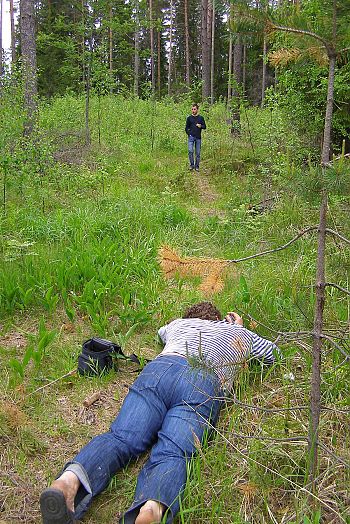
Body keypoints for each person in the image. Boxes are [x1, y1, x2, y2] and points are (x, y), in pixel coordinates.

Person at [40, 302, 279, 524]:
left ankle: (69, 481)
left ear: (189, 317)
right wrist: (238, 328)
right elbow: (274, 354)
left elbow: (160, 332)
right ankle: (151, 508)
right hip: (202, 380)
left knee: (120, 437)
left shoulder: (177, 325)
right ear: (218, 319)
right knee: (175, 451)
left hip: (160, 370)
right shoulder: (238, 334)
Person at [185, 104, 206, 171]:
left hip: (198, 138)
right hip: (191, 137)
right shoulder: (189, 118)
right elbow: (186, 128)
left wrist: (200, 126)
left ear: (197, 109)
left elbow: (205, 126)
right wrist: (189, 134)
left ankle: (197, 166)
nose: (193, 110)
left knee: (198, 153)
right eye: (192, 109)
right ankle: (192, 165)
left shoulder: (201, 118)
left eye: (194, 109)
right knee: (190, 151)